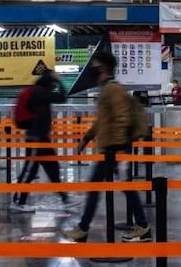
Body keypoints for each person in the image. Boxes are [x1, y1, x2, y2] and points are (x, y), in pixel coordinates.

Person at [65, 51, 150, 243]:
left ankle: (142, 227)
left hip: (116, 148)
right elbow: (102, 121)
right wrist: (86, 138)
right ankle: (84, 228)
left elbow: (122, 118)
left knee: (115, 187)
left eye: (95, 63)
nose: (92, 67)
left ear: (103, 67)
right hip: (112, 148)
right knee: (110, 187)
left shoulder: (113, 90)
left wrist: (119, 147)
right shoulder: (107, 89)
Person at [13, 70, 73, 211]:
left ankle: (65, 199)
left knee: (53, 168)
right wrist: (58, 80)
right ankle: (18, 202)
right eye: (52, 82)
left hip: (41, 137)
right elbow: (62, 97)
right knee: (30, 170)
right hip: (36, 138)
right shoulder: (40, 92)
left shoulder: (39, 91)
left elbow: (61, 98)